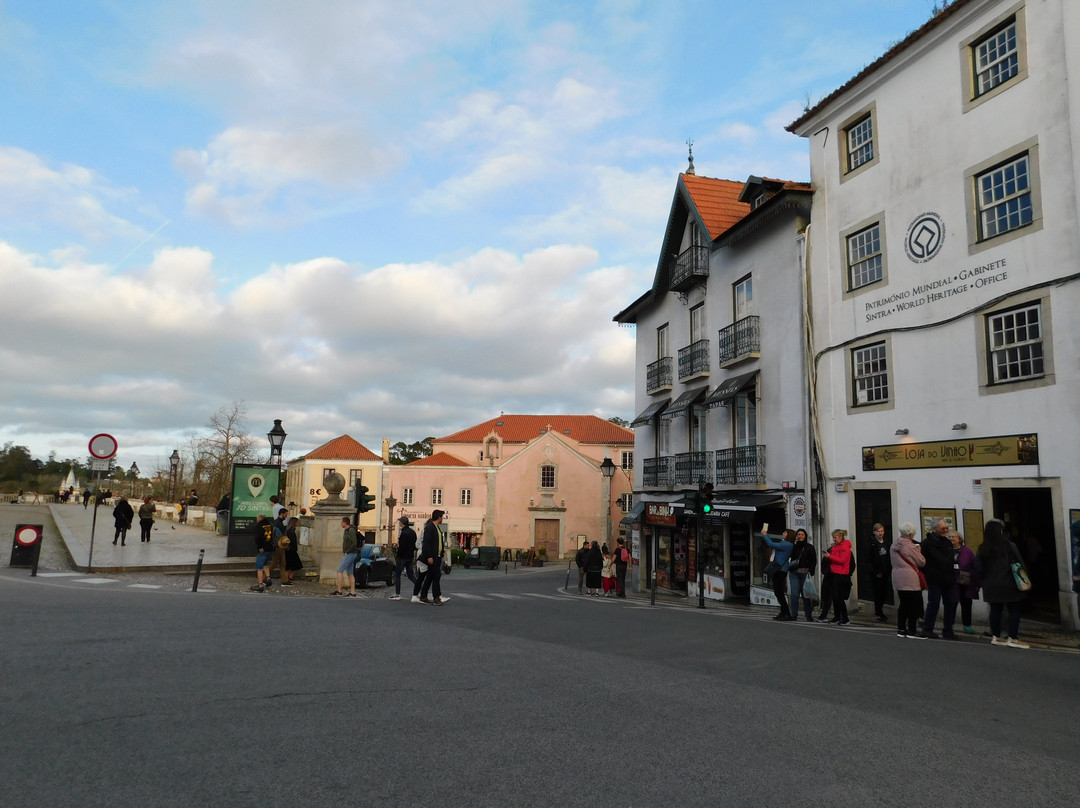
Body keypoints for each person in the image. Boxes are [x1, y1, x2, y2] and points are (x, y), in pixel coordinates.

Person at [976, 519, 1029, 648]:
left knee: (995, 610)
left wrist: (984, 581)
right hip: (1009, 582)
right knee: (1014, 610)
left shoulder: (983, 548)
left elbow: (978, 569)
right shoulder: (1009, 545)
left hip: (991, 584)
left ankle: (996, 637)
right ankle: (1013, 638)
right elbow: (1020, 564)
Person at [921, 519, 958, 639]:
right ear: (935, 529)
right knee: (933, 604)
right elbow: (922, 561)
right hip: (934, 579)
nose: (946, 530)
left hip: (948, 579)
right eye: (943, 528)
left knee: (950, 604)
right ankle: (927, 629)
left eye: (947, 528)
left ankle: (948, 630)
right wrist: (928, 575)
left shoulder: (947, 543)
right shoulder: (926, 543)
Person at [891, 522, 926, 638]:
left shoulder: (894, 545)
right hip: (910, 578)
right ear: (911, 534)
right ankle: (912, 630)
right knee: (913, 605)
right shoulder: (910, 546)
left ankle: (901, 629)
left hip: (897, 576)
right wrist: (919, 551)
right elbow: (921, 562)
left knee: (903, 604)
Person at [760, 528, 794, 620]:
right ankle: (783, 612)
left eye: (785, 532)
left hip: (780, 569)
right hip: (780, 568)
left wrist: (765, 534)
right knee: (778, 592)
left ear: (788, 535)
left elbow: (771, 544)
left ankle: (786, 613)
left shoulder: (787, 544)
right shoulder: (786, 544)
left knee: (779, 592)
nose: (783, 533)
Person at [950, 530, 980, 635]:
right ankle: (949, 625)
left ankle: (967, 625)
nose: (951, 538)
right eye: (950, 537)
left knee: (966, 603)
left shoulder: (967, 551)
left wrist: (977, 582)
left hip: (965, 581)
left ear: (959, 539)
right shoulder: (947, 550)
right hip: (951, 581)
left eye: (954, 537)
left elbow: (974, 565)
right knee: (951, 603)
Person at [822, 529, 853, 625]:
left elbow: (842, 560)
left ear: (840, 537)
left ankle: (845, 618)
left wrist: (830, 556)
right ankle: (837, 616)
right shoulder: (836, 546)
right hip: (834, 573)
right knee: (835, 597)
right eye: (833, 537)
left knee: (839, 597)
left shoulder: (844, 547)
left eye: (835, 537)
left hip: (841, 574)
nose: (834, 539)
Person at [418, 510, 449, 605]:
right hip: (433, 557)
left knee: (430, 576)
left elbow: (438, 542)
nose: (442, 518)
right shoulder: (430, 528)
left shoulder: (436, 528)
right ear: (438, 517)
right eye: (442, 517)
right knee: (436, 576)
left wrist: (442, 551)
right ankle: (436, 597)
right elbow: (426, 544)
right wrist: (429, 556)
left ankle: (423, 595)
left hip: (438, 556)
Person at [787, 528, 817, 621]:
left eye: (802, 534)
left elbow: (813, 560)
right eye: (799, 534)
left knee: (806, 595)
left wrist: (811, 571)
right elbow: (790, 556)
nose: (800, 536)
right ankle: (794, 614)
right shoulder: (793, 546)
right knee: (795, 594)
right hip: (794, 573)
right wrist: (794, 544)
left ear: (805, 536)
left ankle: (808, 615)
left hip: (805, 573)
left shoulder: (809, 547)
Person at [868, 523, 892, 622]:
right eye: (878, 531)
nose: (880, 533)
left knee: (885, 592)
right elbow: (868, 560)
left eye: (882, 531)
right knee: (878, 593)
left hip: (886, 571)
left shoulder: (886, 542)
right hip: (876, 573)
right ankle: (878, 611)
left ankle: (879, 610)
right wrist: (874, 572)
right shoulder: (872, 544)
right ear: (874, 532)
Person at [390, 515, 417, 601]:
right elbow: (414, 545)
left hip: (402, 557)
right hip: (410, 556)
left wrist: (398, 553)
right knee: (410, 575)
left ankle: (397, 594)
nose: (399, 523)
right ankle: (420, 587)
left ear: (402, 522)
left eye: (400, 522)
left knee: (397, 575)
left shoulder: (403, 533)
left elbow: (402, 547)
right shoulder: (412, 532)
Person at [334, 517, 359, 597]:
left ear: (345, 523)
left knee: (339, 571)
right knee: (350, 573)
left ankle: (339, 590)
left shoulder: (351, 530)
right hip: (350, 553)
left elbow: (354, 543)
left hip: (350, 554)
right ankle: (352, 592)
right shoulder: (346, 531)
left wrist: (347, 551)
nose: (341, 524)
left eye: (342, 522)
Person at [251, 515, 275, 592]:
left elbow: (258, 537)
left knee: (259, 567)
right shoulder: (270, 524)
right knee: (265, 564)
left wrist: (260, 547)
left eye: (257, 519)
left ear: (259, 519)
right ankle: (268, 578)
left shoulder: (259, 526)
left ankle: (260, 584)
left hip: (263, 549)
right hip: (270, 548)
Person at [267, 509, 289, 584]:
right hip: (279, 546)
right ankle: (265, 577)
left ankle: (285, 580)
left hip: (280, 545)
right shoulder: (278, 523)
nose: (286, 516)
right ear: (282, 514)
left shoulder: (277, 522)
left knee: (282, 563)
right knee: (275, 563)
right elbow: (278, 535)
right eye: (286, 514)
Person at [282, 516, 303, 585]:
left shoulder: (290, 530)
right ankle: (287, 579)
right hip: (290, 550)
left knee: (293, 565)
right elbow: (292, 541)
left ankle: (289, 577)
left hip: (290, 549)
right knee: (292, 565)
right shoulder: (291, 531)